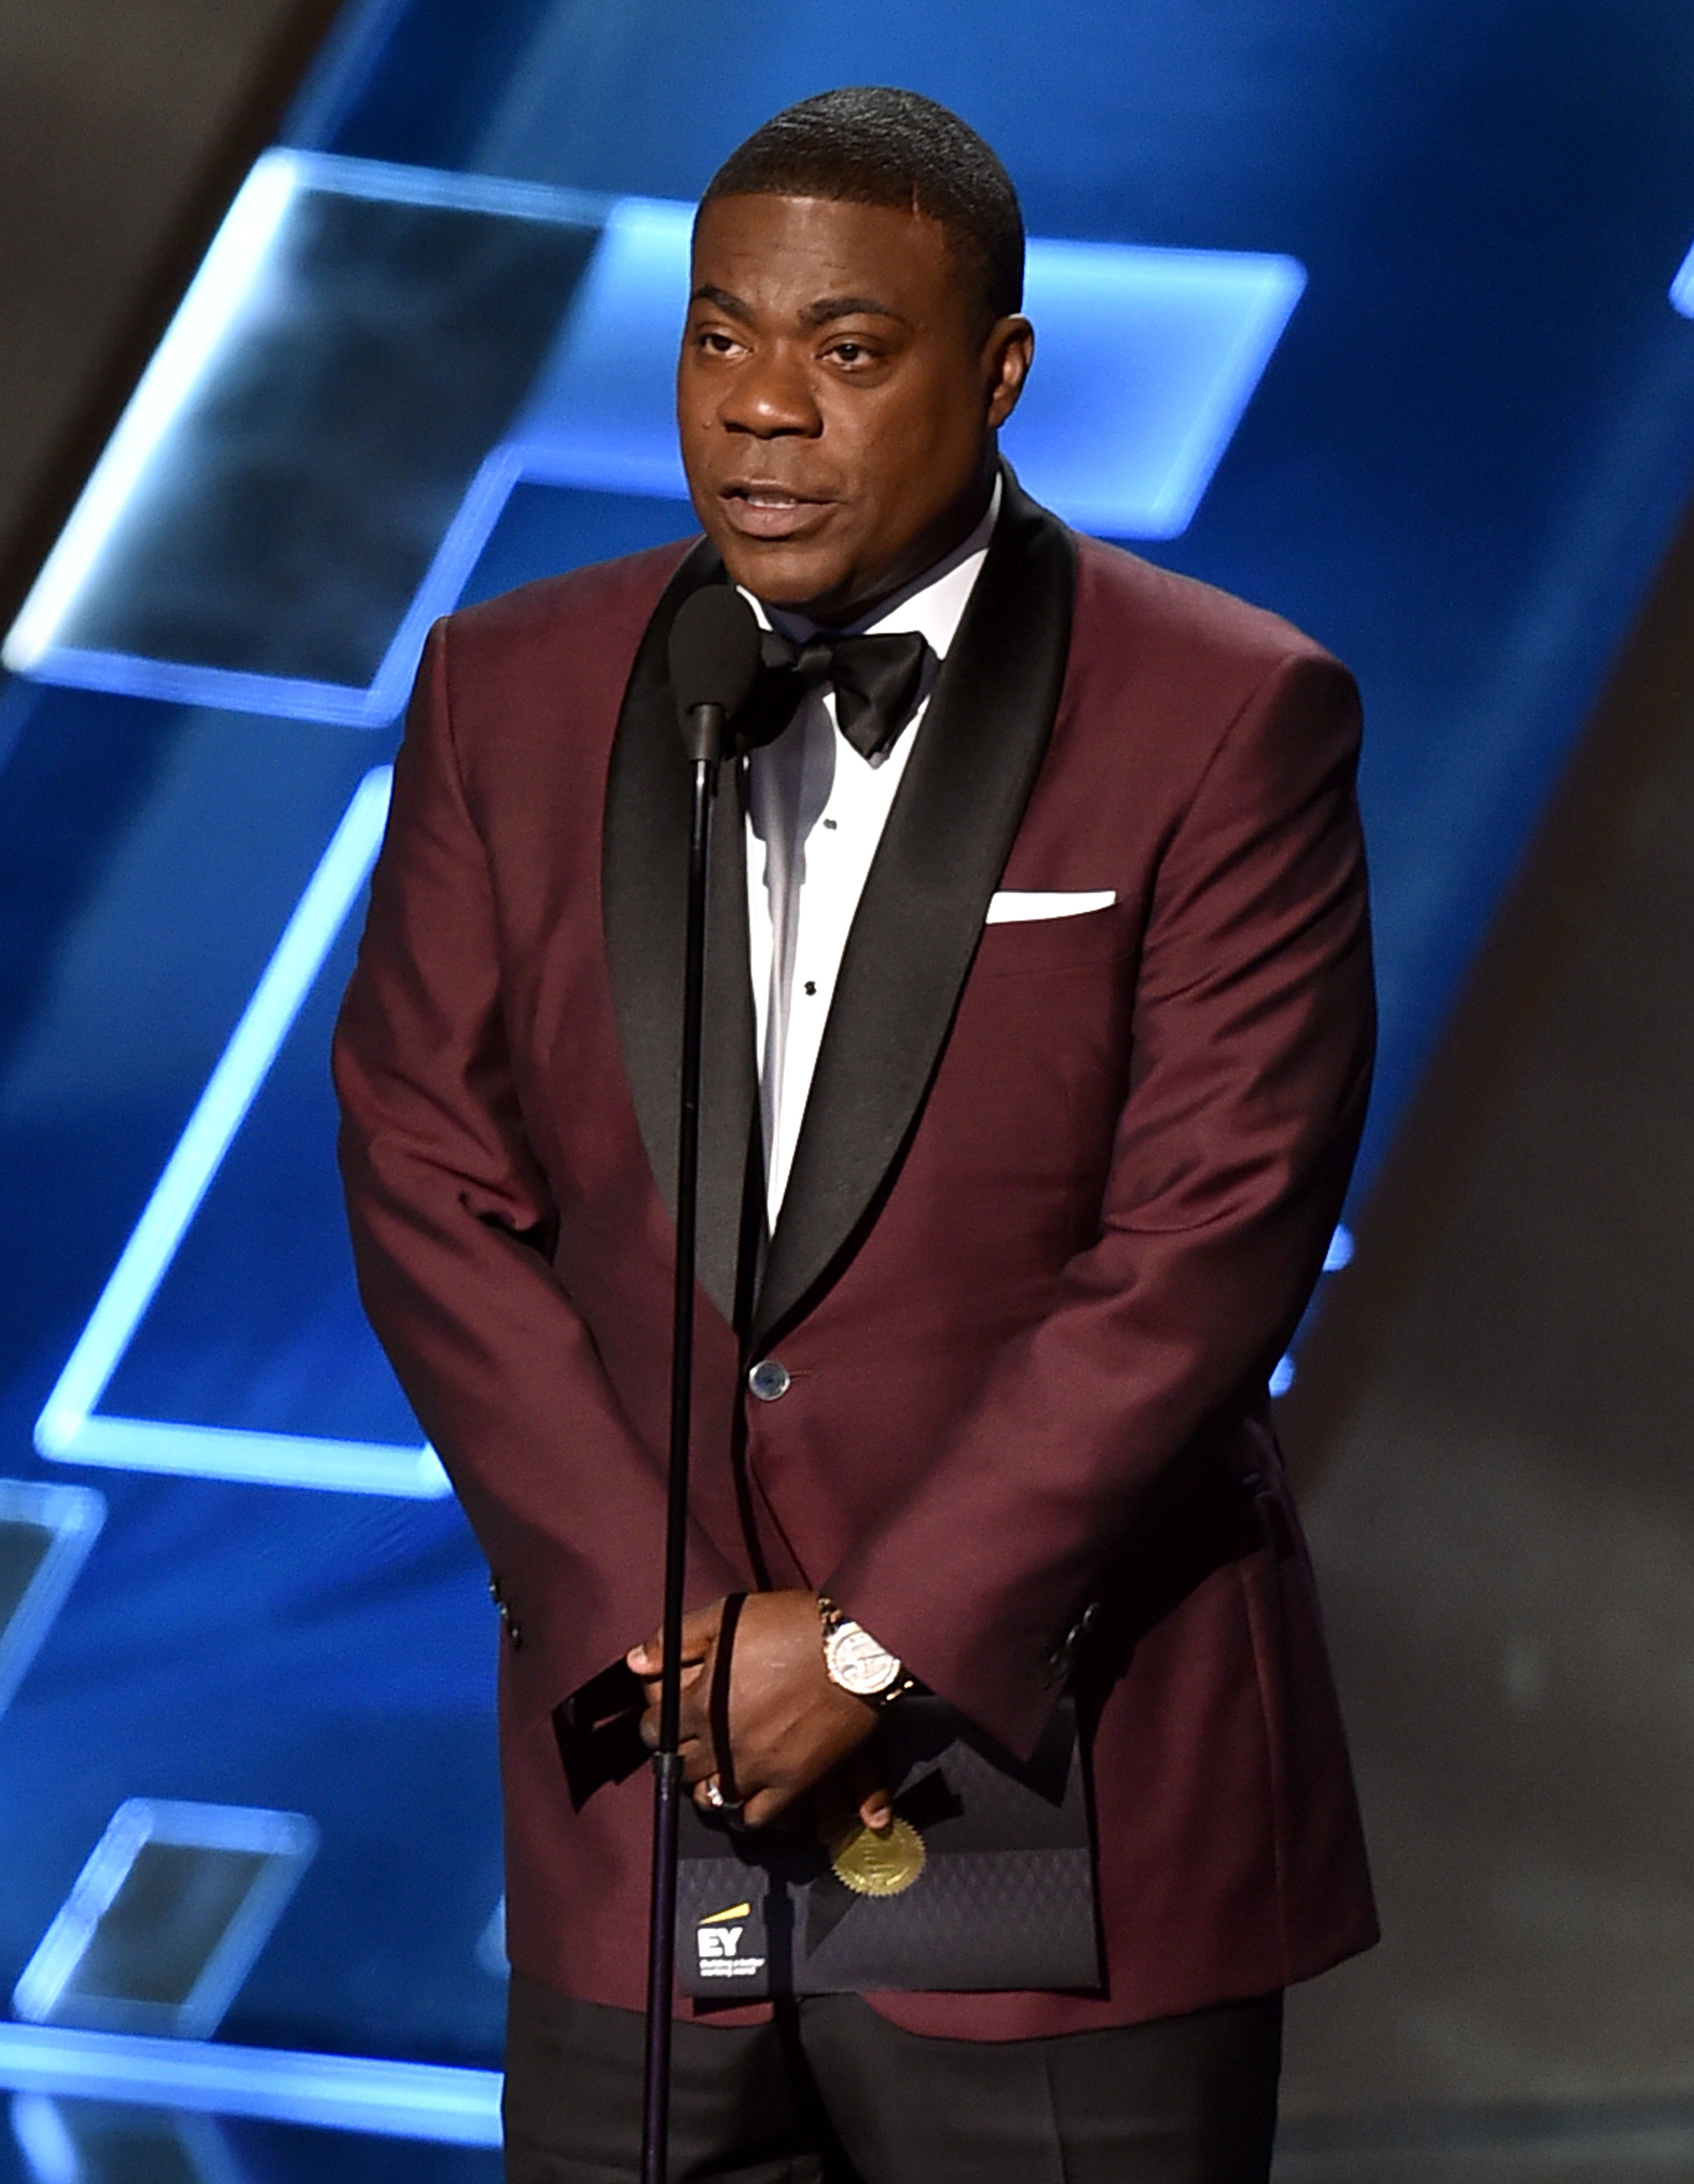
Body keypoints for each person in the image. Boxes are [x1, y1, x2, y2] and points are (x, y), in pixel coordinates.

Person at [334, 84, 1377, 2184]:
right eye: (721, 338)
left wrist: (879, 1643)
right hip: (652, 1802)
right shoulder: (506, 691)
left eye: (849, 348)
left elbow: (1211, 1238)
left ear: (996, 373)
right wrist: (669, 1639)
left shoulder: (1225, 714)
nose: (764, 411)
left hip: (1053, 1782)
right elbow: (424, 1176)